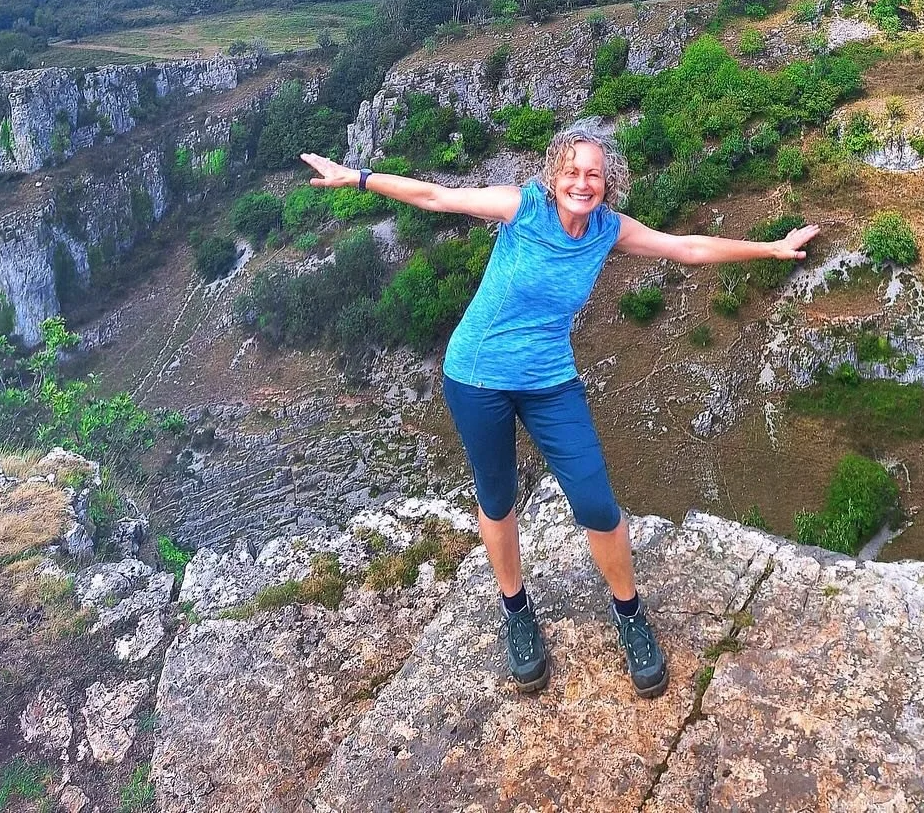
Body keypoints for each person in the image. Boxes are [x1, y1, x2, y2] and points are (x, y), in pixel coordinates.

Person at [301, 123, 818, 697]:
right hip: (477, 375)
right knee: (497, 499)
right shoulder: (522, 208)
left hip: (549, 380)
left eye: (593, 174)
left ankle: (629, 615)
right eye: (571, 171)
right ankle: (517, 612)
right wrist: (360, 177)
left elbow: (688, 248)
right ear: (553, 176)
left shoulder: (607, 231)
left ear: (608, 182)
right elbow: (436, 195)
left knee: (597, 503)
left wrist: (771, 248)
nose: (582, 182)